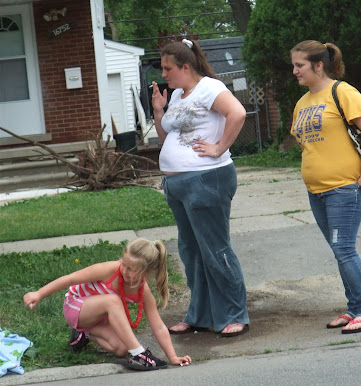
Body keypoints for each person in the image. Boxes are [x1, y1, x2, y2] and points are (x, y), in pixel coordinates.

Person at [151, 38, 249, 337]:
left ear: (185, 66)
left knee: (214, 249)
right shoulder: (179, 95)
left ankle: (234, 313)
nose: (164, 74)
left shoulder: (210, 87)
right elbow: (165, 137)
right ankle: (200, 315)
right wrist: (159, 111)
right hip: (177, 183)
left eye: (168, 69)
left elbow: (238, 113)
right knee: (191, 251)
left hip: (207, 179)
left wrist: (219, 147)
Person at [290, 40, 361, 334]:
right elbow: (301, 141)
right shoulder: (303, 102)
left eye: (300, 65)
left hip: (345, 188)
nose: (295, 71)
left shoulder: (341, 92)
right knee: (339, 249)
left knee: (344, 249)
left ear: (319, 65)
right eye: (293, 65)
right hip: (317, 190)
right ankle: (354, 308)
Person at [23, 238, 192, 370]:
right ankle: (139, 355)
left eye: (131, 269)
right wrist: (39, 293)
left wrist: (173, 357)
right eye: (123, 264)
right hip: (77, 307)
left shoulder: (143, 290)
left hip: (99, 319)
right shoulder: (109, 269)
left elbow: (159, 326)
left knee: (121, 349)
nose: (124, 270)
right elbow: (71, 278)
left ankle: (83, 334)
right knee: (113, 301)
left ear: (146, 272)